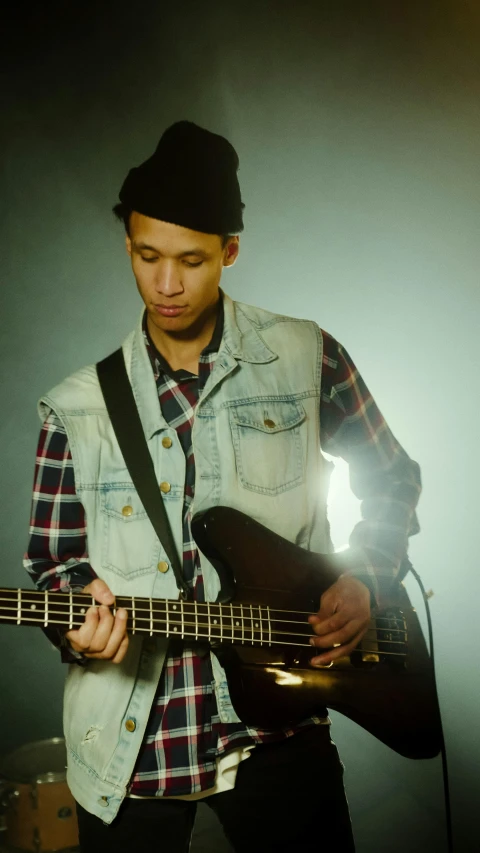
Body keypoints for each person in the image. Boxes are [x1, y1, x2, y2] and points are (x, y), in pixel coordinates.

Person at [24, 120, 421, 853]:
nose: (166, 284)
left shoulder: (307, 356)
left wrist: (367, 574)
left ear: (229, 252)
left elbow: (392, 477)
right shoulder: (74, 406)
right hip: (130, 751)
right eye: (147, 256)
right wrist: (76, 622)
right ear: (128, 246)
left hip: (280, 729)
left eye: (191, 260)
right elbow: (55, 566)